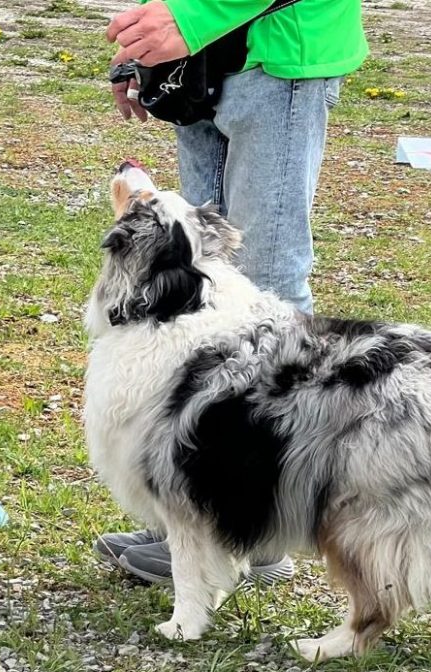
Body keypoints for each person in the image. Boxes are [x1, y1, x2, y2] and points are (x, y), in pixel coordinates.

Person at [94, 0, 368, 583]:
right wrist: (144, 48)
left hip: (276, 56)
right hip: (199, 63)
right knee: (203, 293)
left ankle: (258, 525)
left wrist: (190, 19)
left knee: (269, 283)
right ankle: (195, 512)